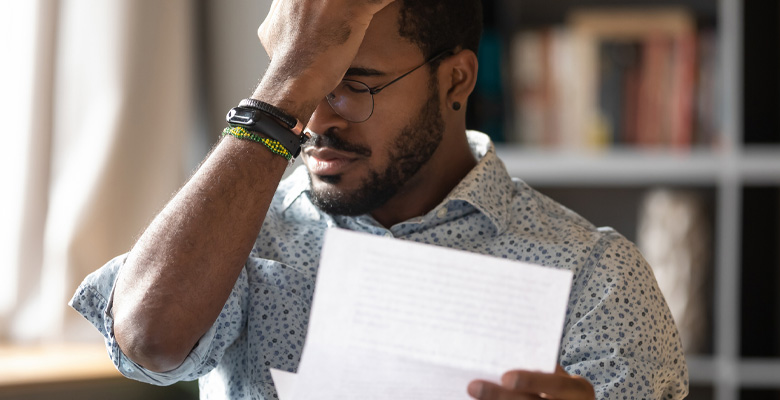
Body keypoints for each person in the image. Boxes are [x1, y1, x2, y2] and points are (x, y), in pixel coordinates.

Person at [69, 0, 689, 399]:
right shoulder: (240, 239)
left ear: (456, 80)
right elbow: (148, 339)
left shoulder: (594, 277)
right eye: (298, 88)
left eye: (350, 88)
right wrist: (280, 92)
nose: (312, 122)